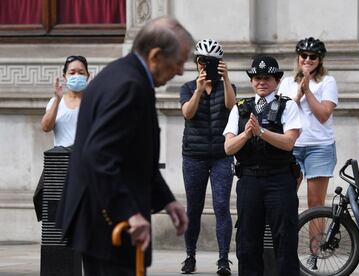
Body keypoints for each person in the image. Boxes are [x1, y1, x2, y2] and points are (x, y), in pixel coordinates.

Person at [55, 17, 193, 276]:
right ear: (155, 55)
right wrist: (130, 213)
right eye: (179, 61)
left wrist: (167, 200)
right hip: (108, 223)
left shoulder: (122, 73)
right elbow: (99, 155)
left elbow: (133, 155)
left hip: (102, 217)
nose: (181, 71)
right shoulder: (129, 85)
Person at [223, 55, 301, 276]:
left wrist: (262, 132)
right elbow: (228, 148)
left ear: (277, 80)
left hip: (279, 180)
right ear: (251, 81)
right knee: (247, 243)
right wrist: (247, 135)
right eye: (256, 78)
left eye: (266, 78)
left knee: (285, 241)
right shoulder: (240, 108)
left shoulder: (288, 106)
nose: (261, 82)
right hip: (249, 181)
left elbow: (288, 143)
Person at [180, 39, 236, 275]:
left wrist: (226, 79)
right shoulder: (188, 87)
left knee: (222, 206)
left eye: (211, 62)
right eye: (202, 61)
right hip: (194, 156)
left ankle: (223, 259)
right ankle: (190, 256)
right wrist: (200, 89)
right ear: (196, 62)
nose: (206, 66)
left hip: (222, 156)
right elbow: (188, 113)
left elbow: (232, 107)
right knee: (193, 208)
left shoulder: (226, 85)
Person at [278, 37, 338, 202]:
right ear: (298, 58)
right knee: (285, 199)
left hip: (319, 147)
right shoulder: (287, 82)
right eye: (304, 55)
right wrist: (298, 95)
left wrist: (308, 91)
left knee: (315, 203)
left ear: (319, 60)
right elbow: (282, 114)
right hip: (292, 146)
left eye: (313, 56)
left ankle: (318, 230)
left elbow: (324, 115)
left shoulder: (328, 81)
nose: (307, 60)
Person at [33, 55, 90, 221]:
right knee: (57, 214)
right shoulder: (56, 102)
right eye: (72, 72)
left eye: (81, 72)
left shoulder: (93, 101)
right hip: (60, 166)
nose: (77, 76)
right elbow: (45, 127)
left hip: (85, 165)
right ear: (65, 76)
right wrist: (58, 99)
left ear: (88, 76)